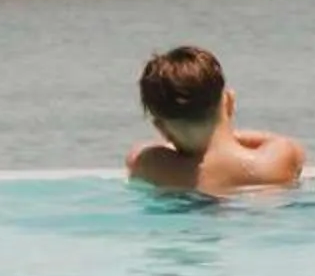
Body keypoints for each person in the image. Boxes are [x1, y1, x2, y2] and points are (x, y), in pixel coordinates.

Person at [126, 46, 304, 194]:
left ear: (161, 128)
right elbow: (285, 144)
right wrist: (229, 138)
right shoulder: (272, 163)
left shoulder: (150, 165)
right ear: (229, 103)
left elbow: (139, 152)